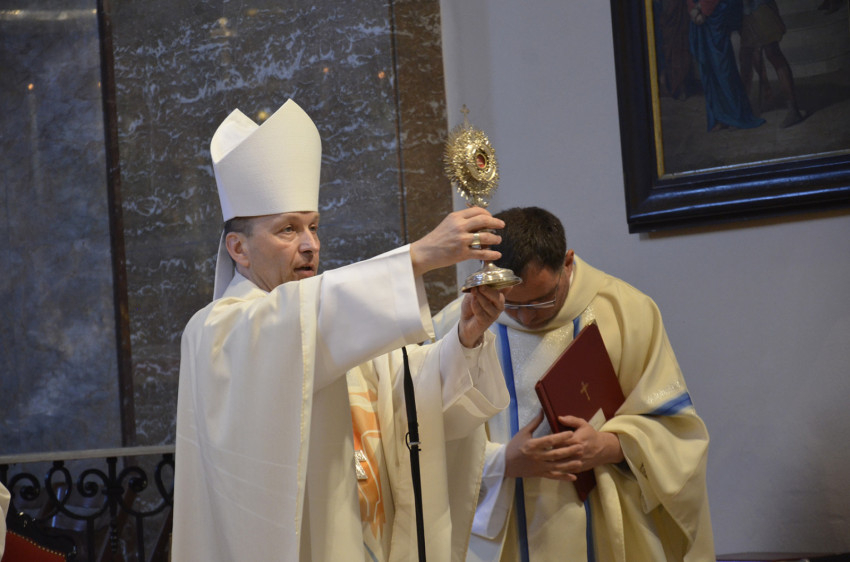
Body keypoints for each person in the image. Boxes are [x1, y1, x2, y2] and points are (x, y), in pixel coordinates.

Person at [172, 99, 510, 561]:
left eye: (313, 226)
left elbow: (415, 398)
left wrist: (466, 339)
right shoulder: (216, 332)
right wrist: (418, 256)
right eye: (287, 230)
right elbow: (290, 324)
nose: (310, 244)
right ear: (239, 249)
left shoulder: (338, 324)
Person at [433, 207, 715, 561]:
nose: (526, 317)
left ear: (566, 263)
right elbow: (423, 441)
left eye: (540, 301)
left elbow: (676, 430)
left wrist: (611, 446)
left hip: (608, 531)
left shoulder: (628, 312)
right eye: (510, 305)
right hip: (501, 539)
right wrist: (501, 462)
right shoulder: (455, 330)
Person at [687, 0, 765, 131]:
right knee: (709, 72)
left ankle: (737, 116)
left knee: (724, 71)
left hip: (715, 17)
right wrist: (693, 11)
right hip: (700, 21)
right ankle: (721, 117)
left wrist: (702, 9)